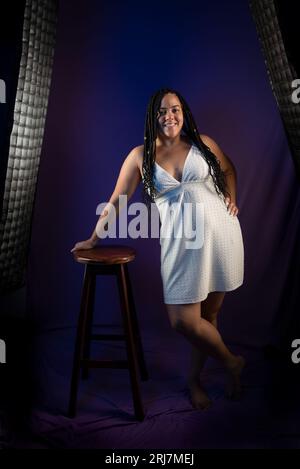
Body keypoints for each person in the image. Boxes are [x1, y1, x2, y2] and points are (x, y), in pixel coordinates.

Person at [71, 88, 245, 410]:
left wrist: (232, 198)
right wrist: (94, 238)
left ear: (184, 113)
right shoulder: (141, 156)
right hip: (181, 245)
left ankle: (195, 381)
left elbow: (229, 169)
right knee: (183, 321)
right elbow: (117, 201)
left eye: (175, 109)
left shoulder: (203, 144)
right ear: (153, 118)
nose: (170, 116)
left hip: (221, 235)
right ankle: (232, 362)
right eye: (163, 111)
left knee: (209, 315)